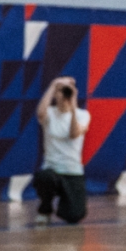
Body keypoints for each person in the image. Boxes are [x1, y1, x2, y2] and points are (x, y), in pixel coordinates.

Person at [34, 76, 91, 225]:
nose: (64, 94)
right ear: (55, 94)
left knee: (75, 216)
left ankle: (65, 206)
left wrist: (73, 106)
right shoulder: (50, 113)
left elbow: (74, 134)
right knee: (44, 177)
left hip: (72, 171)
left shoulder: (83, 115)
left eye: (67, 91)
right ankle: (45, 209)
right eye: (60, 91)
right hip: (52, 169)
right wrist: (53, 85)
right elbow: (40, 114)